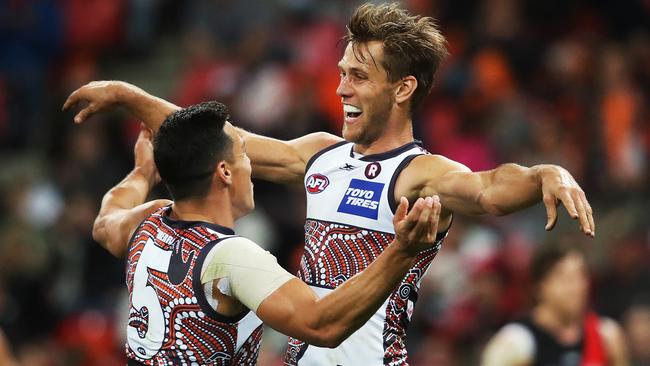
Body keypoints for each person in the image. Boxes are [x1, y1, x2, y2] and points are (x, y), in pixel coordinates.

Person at [63, 3, 595, 365]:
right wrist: (131, 97)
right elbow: (217, 140)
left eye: (359, 76)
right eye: (342, 72)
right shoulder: (321, 154)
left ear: (404, 88)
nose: (341, 87)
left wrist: (543, 174)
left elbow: (489, 189)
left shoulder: (420, 173)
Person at [92, 101, 443, 365]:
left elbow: (105, 223)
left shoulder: (148, 222)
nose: (252, 165)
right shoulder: (231, 258)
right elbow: (322, 326)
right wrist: (402, 251)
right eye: (244, 154)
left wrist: (140, 174)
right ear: (225, 172)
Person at [481, 240, 628, 366]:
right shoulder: (515, 342)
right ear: (540, 286)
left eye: (581, 276)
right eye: (565, 279)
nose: (576, 287)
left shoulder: (607, 335)